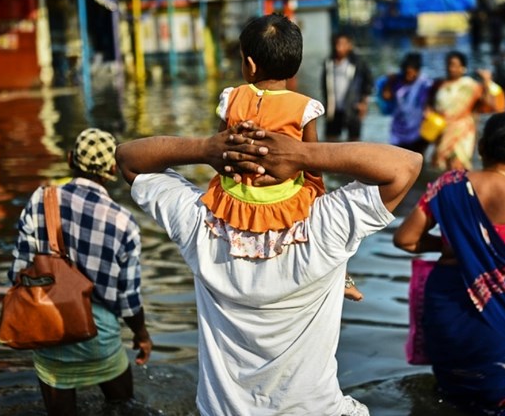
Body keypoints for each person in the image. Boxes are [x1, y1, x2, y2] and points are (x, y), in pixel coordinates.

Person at [116, 124, 422, 415]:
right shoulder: (325, 225)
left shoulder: (199, 223)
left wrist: (205, 148)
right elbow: (405, 165)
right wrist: (304, 154)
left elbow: (128, 158)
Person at [393, 112, 505, 415]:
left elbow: (405, 239)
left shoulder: (448, 185)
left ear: (480, 147)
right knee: (498, 405)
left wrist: (450, 245)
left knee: (447, 400)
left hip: (447, 312)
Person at [200, 13, 363, 301]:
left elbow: (220, 149)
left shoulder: (232, 97)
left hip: (236, 198)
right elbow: (311, 160)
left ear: (249, 65)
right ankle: (343, 276)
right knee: (319, 200)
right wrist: (317, 193)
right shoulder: (304, 107)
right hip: (284, 201)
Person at [8, 128, 152, 416]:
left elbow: (18, 272)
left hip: (48, 327)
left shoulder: (40, 200)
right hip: (99, 335)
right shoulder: (123, 221)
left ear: (70, 158)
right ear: (113, 168)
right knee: (123, 406)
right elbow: (128, 300)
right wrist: (142, 334)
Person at [426, 50, 502, 171]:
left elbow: (490, 105)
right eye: (449, 64)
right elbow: (429, 103)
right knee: (441, 165)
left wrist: (486, 82)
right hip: (442, 130)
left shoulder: (470, 85)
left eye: (455, 65)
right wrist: (428, 112)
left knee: (458, 164)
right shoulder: (439, 85)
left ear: (463, 68)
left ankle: (462, 188)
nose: (452, 68)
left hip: (463, 131)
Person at [321, 33, 374, 142]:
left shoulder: (358, 63)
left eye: (342, 44)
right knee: (330, 142)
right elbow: (323, 85)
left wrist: (363, 103)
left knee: (354, 143)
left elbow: (368, 82)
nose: (339, 48)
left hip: (353, 108)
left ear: (349, 45)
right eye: (337, 44)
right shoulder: (329, 63)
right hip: (333, 109)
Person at [378, 52, 432, 154]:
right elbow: (386, 97)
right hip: (398, 132)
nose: (409, 76)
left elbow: (429, 101)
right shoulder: (397, 81)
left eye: (413, 73)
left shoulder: (424, 84)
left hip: (417, 132)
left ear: (418, 71)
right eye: (407, 73)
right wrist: (389, 81)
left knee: (417, 162)